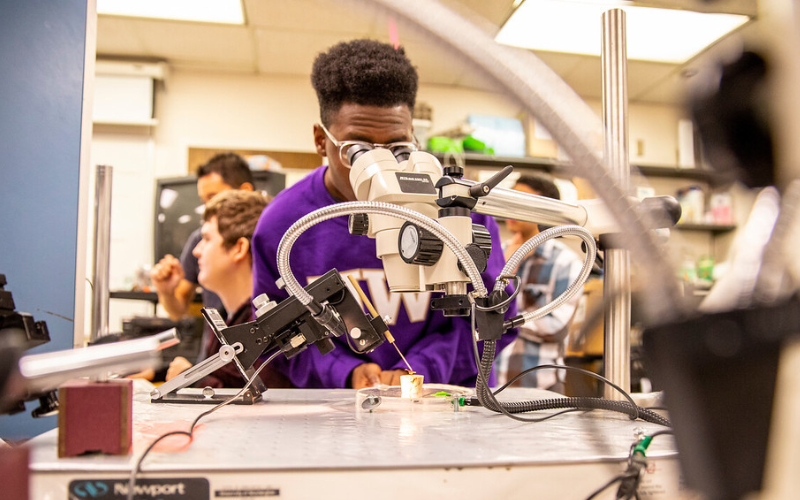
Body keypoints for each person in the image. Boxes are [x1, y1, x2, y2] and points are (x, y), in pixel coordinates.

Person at [251, 39, 515, 390]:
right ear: (320, 139)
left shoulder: (457, 208)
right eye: (357, 150)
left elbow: (497, 317)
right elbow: (277, 335)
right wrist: (344, 372)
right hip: (338, 410)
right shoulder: (283, 224)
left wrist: (424, 368)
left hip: (447, 400)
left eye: (397, 147)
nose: (380, 168)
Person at [166, 190, 293, 388]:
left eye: (207, 239)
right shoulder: (233, 319)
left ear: (238, 248)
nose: (196, 250)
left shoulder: (266, 329)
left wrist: (188, 378)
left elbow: (263, 401)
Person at [494, 175, 585, 392]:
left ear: (546, 210)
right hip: (492, 384)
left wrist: (500, 323)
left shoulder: (565, 262)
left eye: (522, 200)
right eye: (511, 198)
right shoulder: (498, 255)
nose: (512, 207)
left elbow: (555, 327)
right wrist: (504, 268)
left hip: (540, 387)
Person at [150, 152, 255, 323]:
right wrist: (167, 292)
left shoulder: (275, 243)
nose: (207, 208)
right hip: (217, 346)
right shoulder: (197, 240)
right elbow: (177, 309)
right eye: (203, 200)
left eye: (213, 197)